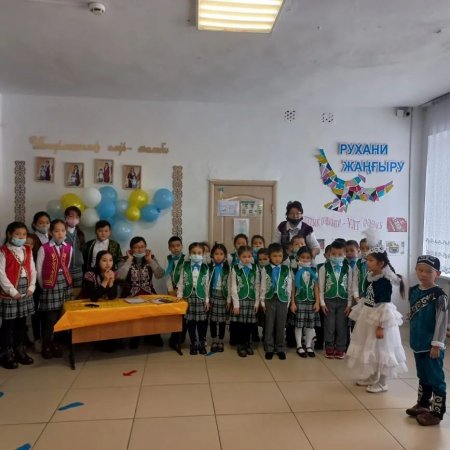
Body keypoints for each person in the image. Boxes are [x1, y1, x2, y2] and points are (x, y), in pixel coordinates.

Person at [346, 245, 407, 393]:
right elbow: (368, 296)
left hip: (380, 320)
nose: (367, 262)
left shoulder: (384, 281)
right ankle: (373, 376)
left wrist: (381, 326)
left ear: (381, 263)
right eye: (367, 259)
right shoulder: (370, 276)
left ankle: (383, 382)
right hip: (369, 316)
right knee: (371, 347)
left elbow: (384, 305)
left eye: (371, 260)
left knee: (383, 349)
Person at [406, 255, 448, 426]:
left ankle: (437, 412)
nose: (423, 274)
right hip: (417, 342)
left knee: (436, 377)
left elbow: (441, 322)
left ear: (437, 273)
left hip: (432, 345)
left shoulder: (439, 295)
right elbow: (414, 312)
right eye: (420, 270)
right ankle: (423, 404)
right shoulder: (413, 290)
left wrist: (436, 344)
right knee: (422, 374)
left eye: (429, 271)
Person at [0, 222, 36, 369]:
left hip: (25, 289)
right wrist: (12, 291)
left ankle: (20, 350)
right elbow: (1, 274)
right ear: (10, 234)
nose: (21, 237)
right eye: (17, 234)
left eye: (24, 235)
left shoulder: (27, 250)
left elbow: (33, 269)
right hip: (9, 291)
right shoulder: (3, 251)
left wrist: (32, 286)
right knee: (8, 324)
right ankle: (6, 353)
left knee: (21, 322)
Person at [36, 219, 73, 359]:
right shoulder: (44, 248)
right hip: (50, 285)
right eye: (57, 231)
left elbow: (67, 266)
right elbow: (39, 270)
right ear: (51, 232)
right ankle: (47, 344)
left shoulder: (69, 247)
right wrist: (45, 286)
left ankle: (57, 343)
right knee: (50, 318)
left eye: (63, 231)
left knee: (61, 316)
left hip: (64, 283)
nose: (60, 233)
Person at [319, 240, 352, 359]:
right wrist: (322, 303)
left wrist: (349, 304)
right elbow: (321, 286)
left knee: (341, 325)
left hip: (343, 300)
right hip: (329, 300)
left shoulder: (347, 268)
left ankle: (340, 348)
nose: (336, 256)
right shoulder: (324, 268)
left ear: (344, 255)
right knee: (329, 325)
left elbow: (350, 287)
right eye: (333, 254)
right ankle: (329, 346)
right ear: (329, 254)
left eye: (339, 254)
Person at [177, 242, 210, 355]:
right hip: (188, 297)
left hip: (201, 297)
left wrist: (207, 300)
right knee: (190, 321)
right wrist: (179, 295)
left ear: (203, 254)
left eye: (199, 253)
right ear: (190, 253)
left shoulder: (205, 267)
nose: (196, 255)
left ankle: (201, 343)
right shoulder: (185, 266)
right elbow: (181, 282)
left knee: (201, 322)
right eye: (194, 252)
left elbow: (207, 285)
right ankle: (193, 343)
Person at [261, 243, 292, 360]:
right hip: (269, 299)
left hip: (283, 299)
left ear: (283, 256)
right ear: (269, 256)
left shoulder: (286, 269)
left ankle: (280, 348)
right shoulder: (265, 269)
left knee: (281, 325)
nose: (277, 258)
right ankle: (269, 348)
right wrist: (262, 301)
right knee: (269, 324)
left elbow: (289, 286)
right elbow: (263, 286)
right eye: (274, 256)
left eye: (280, 256)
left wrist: (288, 301)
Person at [229, 245, 261, 357]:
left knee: (250, 324)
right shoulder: (235, 268)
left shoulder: (255, 268)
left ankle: (248, 343)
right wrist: (236, 304)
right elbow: (233, 287)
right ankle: (241, 344)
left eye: (249, 256)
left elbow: (257, 285)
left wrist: (257, 302)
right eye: (244, 256)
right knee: (240, 324)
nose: (247, 259)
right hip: (240, 300)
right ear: (239, 256)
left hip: (251, 300)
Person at [290, 246, 320, 358]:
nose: (305, 259)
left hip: (311, 301)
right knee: (299, 325)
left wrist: (317, 302)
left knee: (310, 325)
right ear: (298, 257)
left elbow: (316, 287)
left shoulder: (313, 271)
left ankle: (308, 345)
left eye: (308, 258)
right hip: (299, 300)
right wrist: (293, 302)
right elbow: (293, 288)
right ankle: (299, 345)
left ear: (311, 259)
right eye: (303, 257)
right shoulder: (295, 270)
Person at [29, 211, 51, 352]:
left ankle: (49, 338)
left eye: (47, 223)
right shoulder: (31, 238)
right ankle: (37, 338)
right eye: (41, 223)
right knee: (36, 310)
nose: (44, 225)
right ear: (34, 224)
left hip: (50, 279)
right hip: (36, 280)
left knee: (49, 311)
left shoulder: (52, 236)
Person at [165, 236, 187, 350]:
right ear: (169, 248)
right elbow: (167, 275)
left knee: (183, 316)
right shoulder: (168, 259)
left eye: (178, 245)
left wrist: (180, 291)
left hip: (183, 291)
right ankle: (173, 339)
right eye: (173, 246)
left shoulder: (186, 259)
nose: (176, 248)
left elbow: (185, 276)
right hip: (172, 291)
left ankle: (181, 338)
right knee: (174, 316)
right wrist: (170, 290)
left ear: (182, 246)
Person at [208, 243, 230, 353]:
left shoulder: (228, 268)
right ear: (212, 255)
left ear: (225, 256)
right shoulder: (209, 267)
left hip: (223, 296)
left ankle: (221, 341)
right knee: (212, 320)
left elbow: (230, 284)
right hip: (212, 295)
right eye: (216, 254)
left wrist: (229, 299)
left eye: (221, 254)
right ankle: (214, 340)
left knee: (222, 321)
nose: (218, 256)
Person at [64, 206, 85, 299]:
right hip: (65, 269)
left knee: (77, 294)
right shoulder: (62, 233)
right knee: (66, 294)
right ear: (66, 217)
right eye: (71, 216)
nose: (74, 219)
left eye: (76, 217)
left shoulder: (80, 233)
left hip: (78, 269)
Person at [315, 244, 332, 350]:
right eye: (331, 254)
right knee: (320, 321)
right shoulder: (319, 267)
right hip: (321, 298)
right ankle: (319, 341)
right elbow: (316, 284)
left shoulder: (343, 267)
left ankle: (331, 342)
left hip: (334, 298)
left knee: (332, 323)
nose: (334, 257)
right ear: (325, 255)